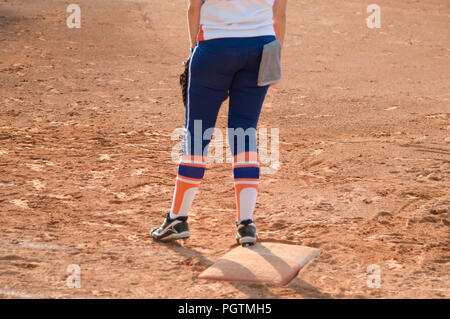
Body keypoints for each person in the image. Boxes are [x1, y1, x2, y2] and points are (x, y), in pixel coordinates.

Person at [151, 0, 287, 246]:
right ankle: (246, 224)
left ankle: (177, 218)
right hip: (261, 47)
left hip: (214, 46)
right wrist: (275, 58)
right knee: (244, 131)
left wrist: (194, 50)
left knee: (198, 133)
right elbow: (279, 15)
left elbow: (194, 7)